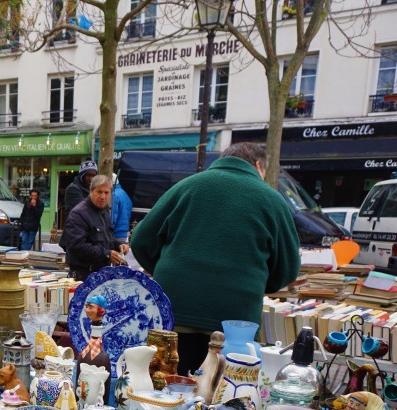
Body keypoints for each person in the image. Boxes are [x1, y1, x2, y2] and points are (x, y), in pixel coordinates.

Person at [129, 142, 300, 374]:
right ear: (258, 166)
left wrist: (164, 271)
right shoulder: (272, 200)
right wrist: (258, 283)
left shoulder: (187, 186)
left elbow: (140, 239)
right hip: (236, 320)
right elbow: (287, 269)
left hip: (174, 308)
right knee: (225, 397)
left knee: (165, 386)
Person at [59, 174, 128, 279]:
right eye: (99, 192)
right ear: (91, 191)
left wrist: (119, 245)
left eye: (106, 193)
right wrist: (107, 254)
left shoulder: (104, 211)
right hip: (83, 275)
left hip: (101, 273)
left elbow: (107, 237)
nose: (102, 197)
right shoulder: (78, 214)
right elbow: (77, 246)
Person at [111, 173, 133, 242]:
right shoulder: (123, 193)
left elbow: (112, 219)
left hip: (115, 235)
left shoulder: (113, 195)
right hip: (123, 233)